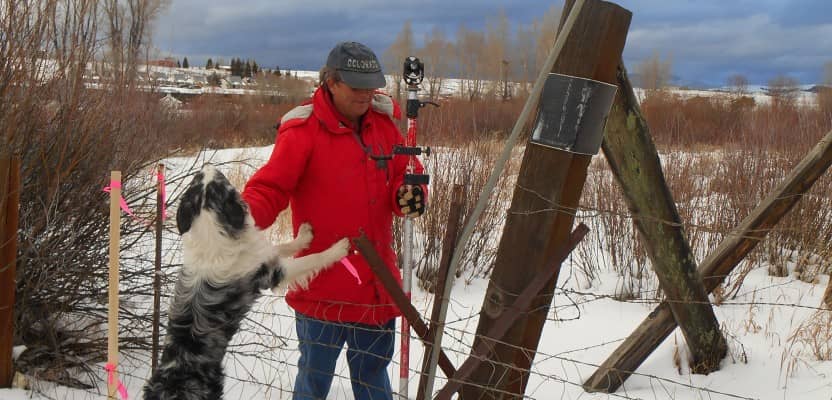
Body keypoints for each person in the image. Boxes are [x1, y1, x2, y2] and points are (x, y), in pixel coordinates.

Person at [242, 41, 427, 400]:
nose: (365, 94)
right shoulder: (303, 130)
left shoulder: (385, 126)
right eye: (355, 86)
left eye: (370, 85)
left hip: (376, 289)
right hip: (322, 293)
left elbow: (406, 172)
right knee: (312, 386)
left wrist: (409, 194)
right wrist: (241, 218)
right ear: (331, 82)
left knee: (374, 384)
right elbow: (271, 187)